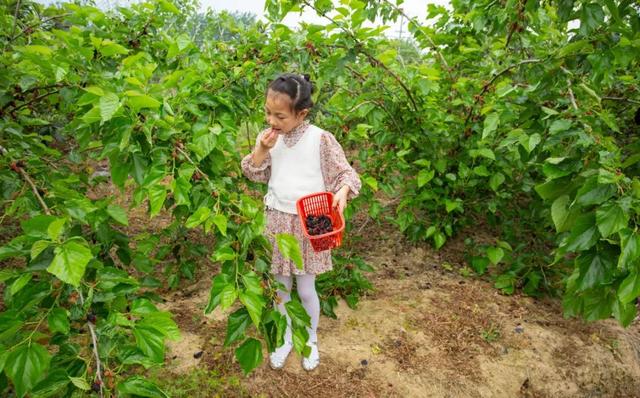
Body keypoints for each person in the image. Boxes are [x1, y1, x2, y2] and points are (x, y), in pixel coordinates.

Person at [241, 73, 361, 371]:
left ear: (302, 113)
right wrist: (261, 149)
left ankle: (309, 339)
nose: (272, 120)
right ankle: (284, 338)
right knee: (280, 288)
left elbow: (346, 174)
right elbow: (253, 172)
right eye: (268, 112)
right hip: (278, 220)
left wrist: (343, 193)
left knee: (306, 289)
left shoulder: (320, 139)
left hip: (312, 221)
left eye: (279, 115)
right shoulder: (271, 139)